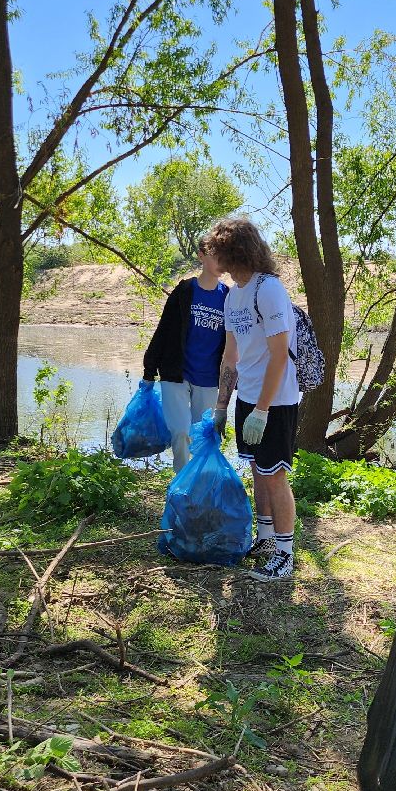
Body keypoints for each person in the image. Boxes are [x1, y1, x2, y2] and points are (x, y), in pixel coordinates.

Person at [202, 218, 300, 583]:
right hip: (249, 398)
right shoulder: (234, 294)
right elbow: (231, 356)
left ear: (234, 252)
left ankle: (285, 556)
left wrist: (262, 409)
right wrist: (222, 406)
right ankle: (265, 540)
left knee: (275, 475)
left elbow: (279, 354)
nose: (211, 258)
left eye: (217, 250)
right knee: (259, 470)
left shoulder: (269, 289)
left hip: (275, 401)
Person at [142, 253, 230, 471]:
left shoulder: (229, 296)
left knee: (203, 436)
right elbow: (164, 329)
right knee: (180, 433)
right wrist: (149, 370)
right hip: (176, 374)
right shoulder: (184, 290)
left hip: (209, 379)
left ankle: (198, 485)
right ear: (201, 256)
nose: (222, 262)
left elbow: (234, 344)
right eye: (215, 256)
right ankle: (181, 486)